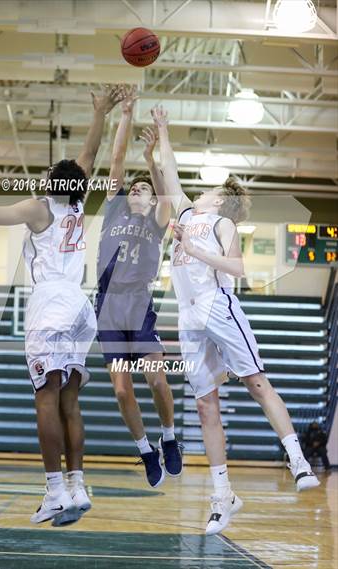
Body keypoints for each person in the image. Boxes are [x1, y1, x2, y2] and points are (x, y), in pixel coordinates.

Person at [0, 84, 124, 526]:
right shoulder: (76, 202)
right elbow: (87, 158)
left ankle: (53, 491)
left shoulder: (40, 208)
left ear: (53, 181)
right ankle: (77, 487)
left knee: (45, 400)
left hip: (51, 305)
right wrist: (101, 112)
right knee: (69, 401)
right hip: (79, 309)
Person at [151, 104, 320, 535]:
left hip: (219, 309)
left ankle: (297, 459)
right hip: (189, 319)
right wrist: (163, 128)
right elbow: (168, 170)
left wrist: (193, 246)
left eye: (209, 191)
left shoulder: (221, 224)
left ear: (221, 200)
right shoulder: (188, 215)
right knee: (205, 405)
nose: (200, 192)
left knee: (257, 383)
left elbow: (237, 269)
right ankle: (222, 494)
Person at [95, 87, 182, 488]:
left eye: (142, 189)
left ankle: (168, 437)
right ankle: (145, 448)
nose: (137, 191)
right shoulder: (114, 209)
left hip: (139, 306)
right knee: (120, 392)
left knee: (157, 379)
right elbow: (114, 161)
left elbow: (166, 192)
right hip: (108, 309)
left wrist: (151, 161)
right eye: (135, 188)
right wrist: (126, 114)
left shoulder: (156, 221)